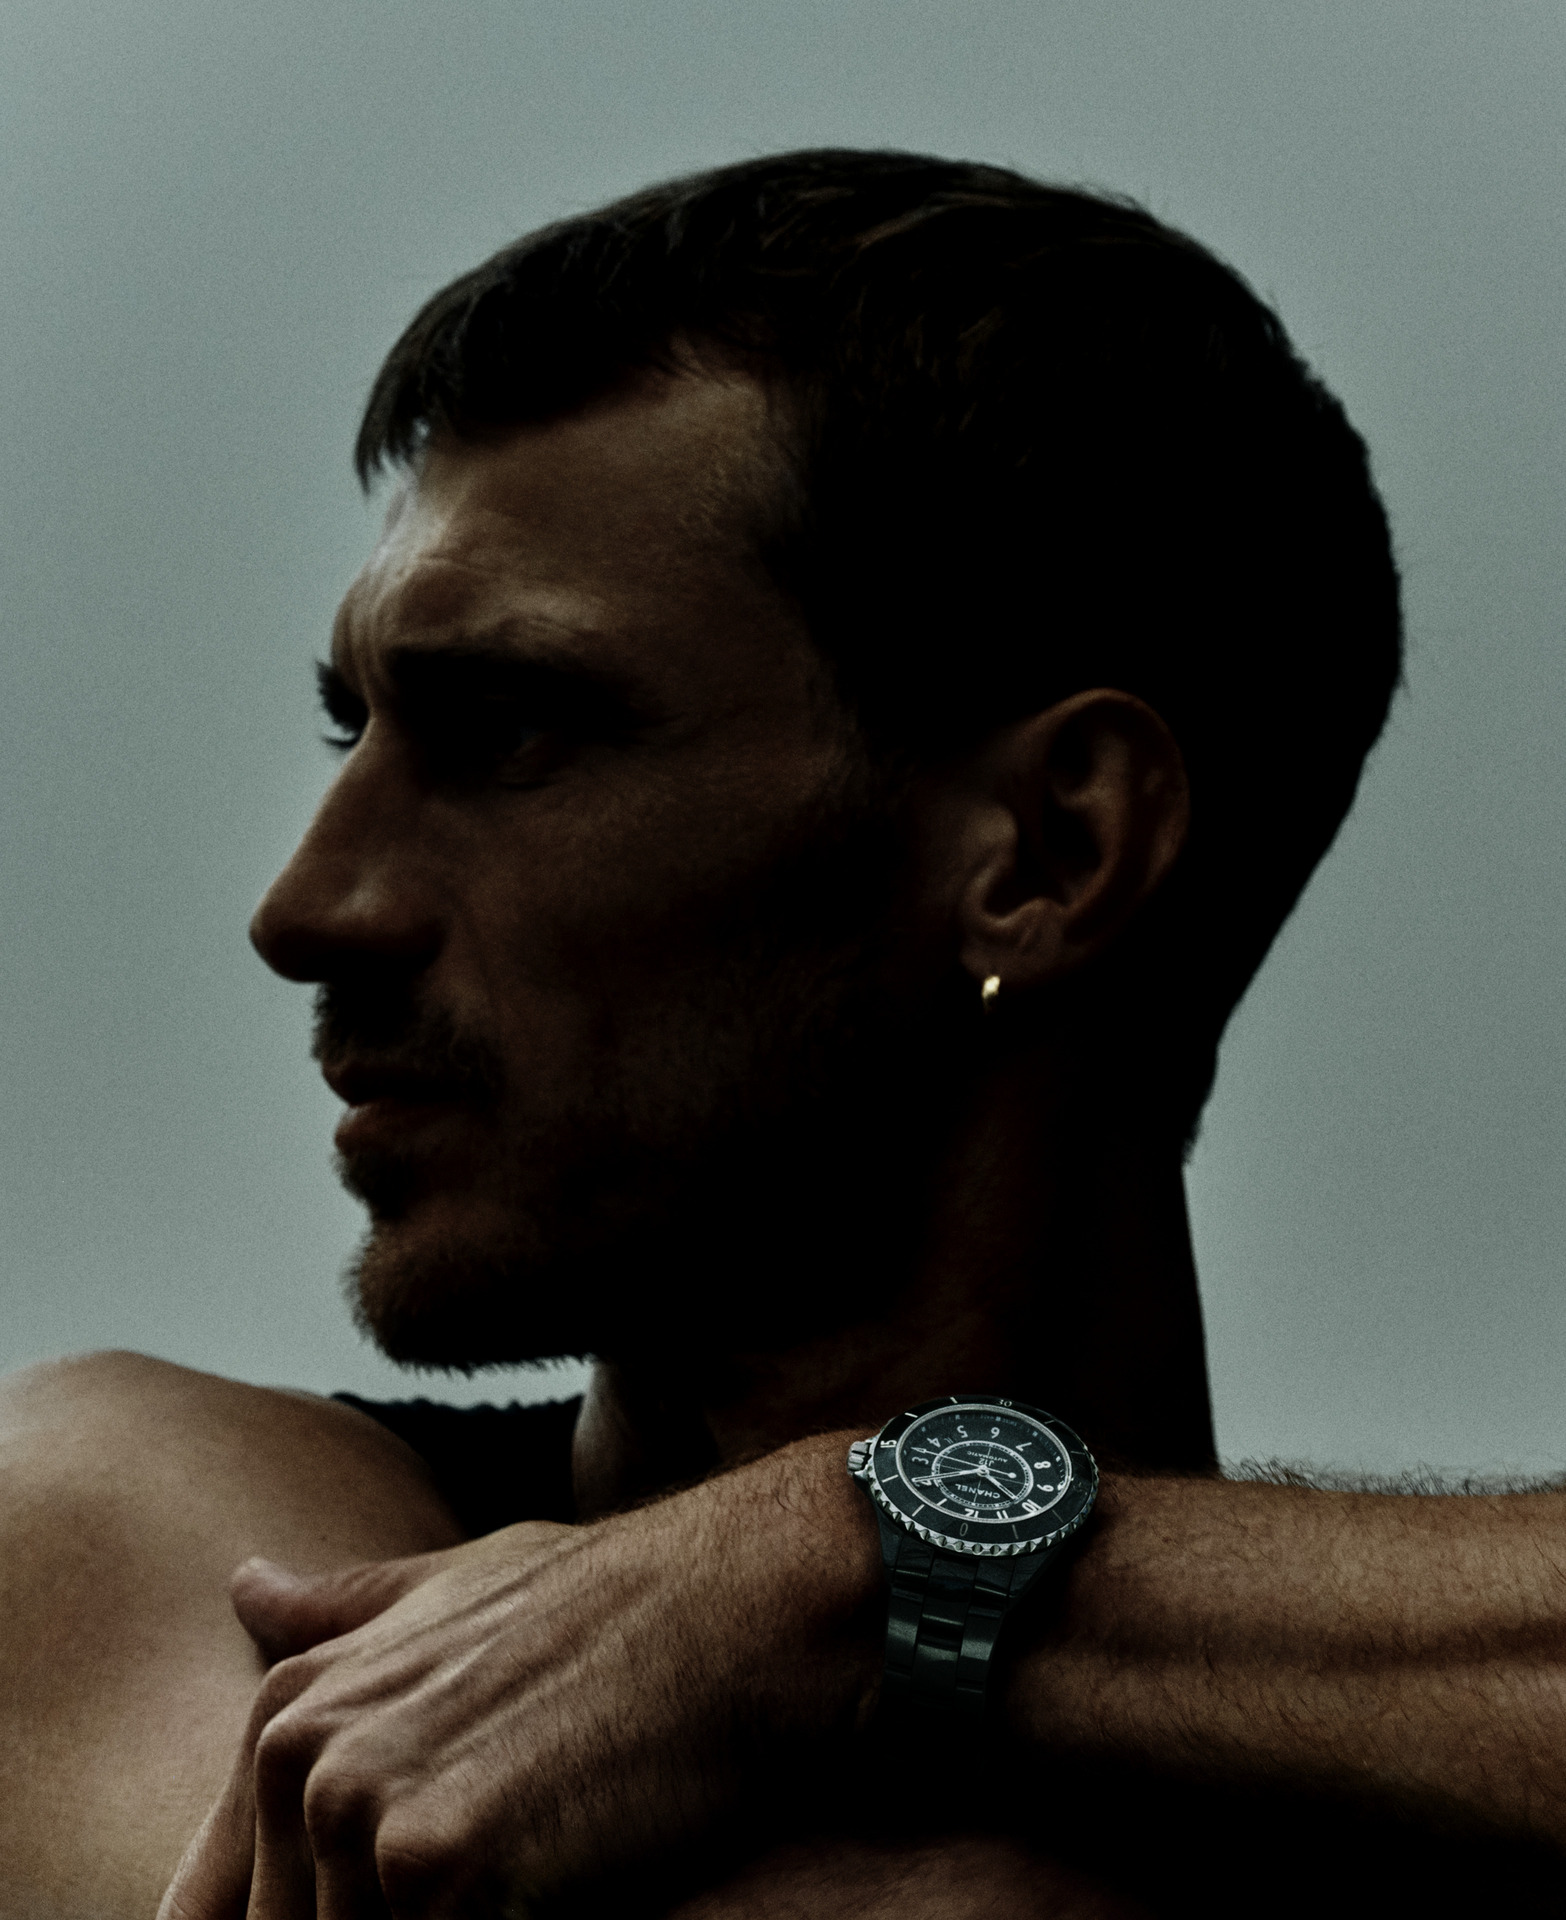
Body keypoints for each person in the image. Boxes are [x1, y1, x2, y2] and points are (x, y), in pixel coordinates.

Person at [2, 149, 1562, 1920]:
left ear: (1045, 852)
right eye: (350, 729)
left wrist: (852, 1560)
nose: (306, 909)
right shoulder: (148, 1534)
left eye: (512, 737)